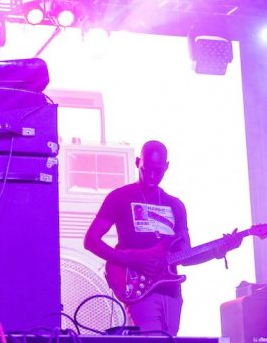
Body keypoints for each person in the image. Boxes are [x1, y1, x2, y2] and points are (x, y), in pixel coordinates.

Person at [84, 140, 239, 335]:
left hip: (172, 292)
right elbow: (91, 240)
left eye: (158, 170)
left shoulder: (176, 205)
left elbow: (185, 256)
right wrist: (132, 260)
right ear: (138, 162)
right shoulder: (120, 197)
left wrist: (219, 251)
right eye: (146, 169)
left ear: (167, 166)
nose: (152, 175)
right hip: (138, 289)